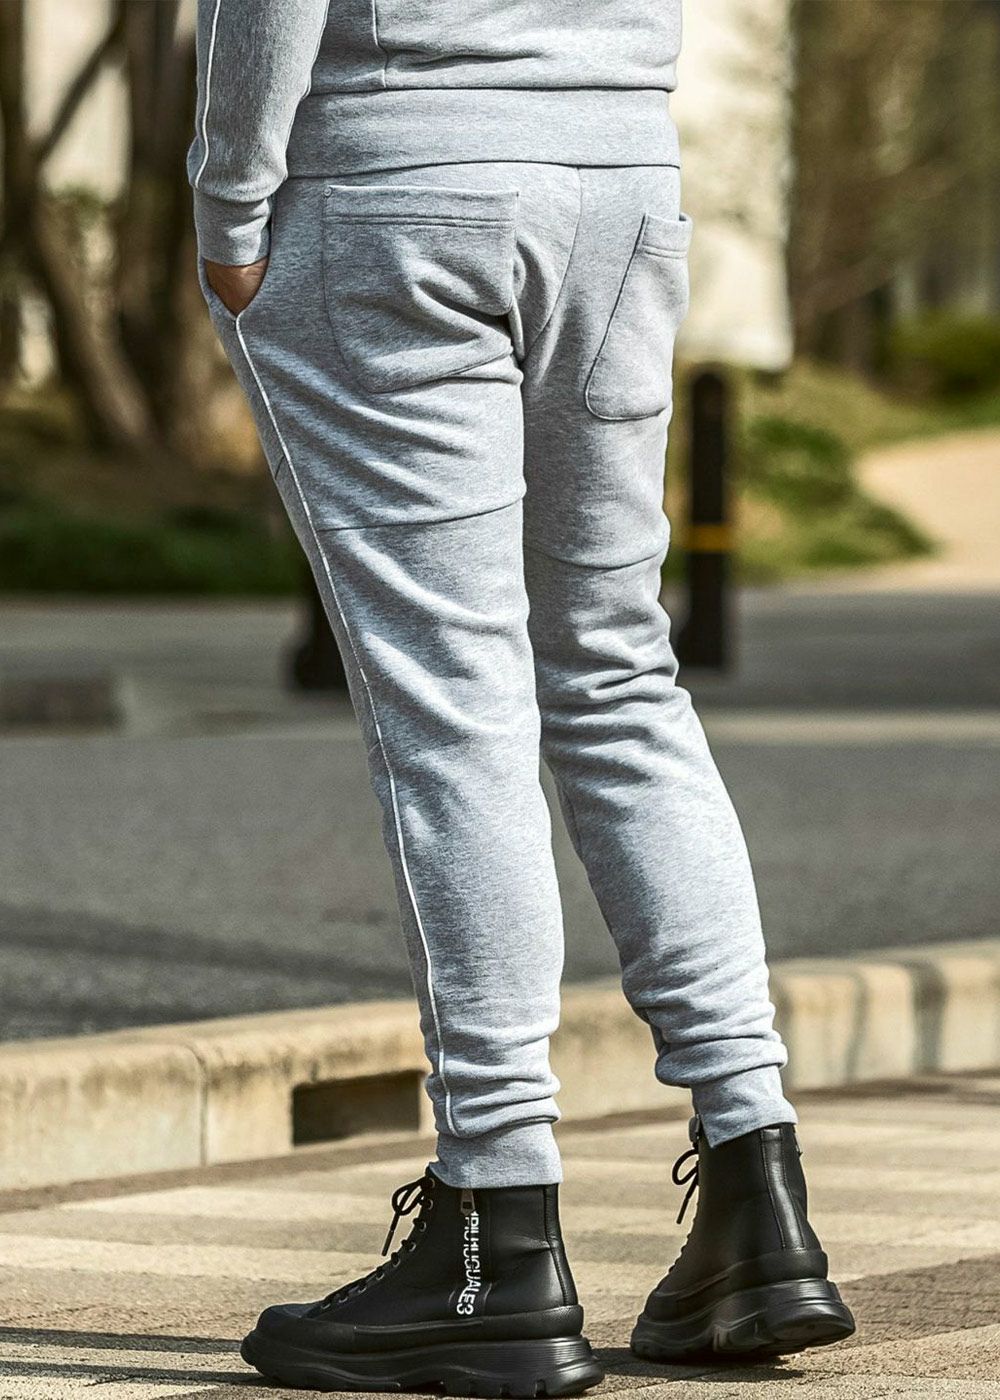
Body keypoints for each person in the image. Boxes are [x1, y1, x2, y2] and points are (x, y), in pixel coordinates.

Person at [188, 1, 856, 1392]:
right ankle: (756, 1192)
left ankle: (494, 1232)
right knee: (617, 673)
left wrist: (231, 199)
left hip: (395, 183)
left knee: (455, 709)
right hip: (618, 182)